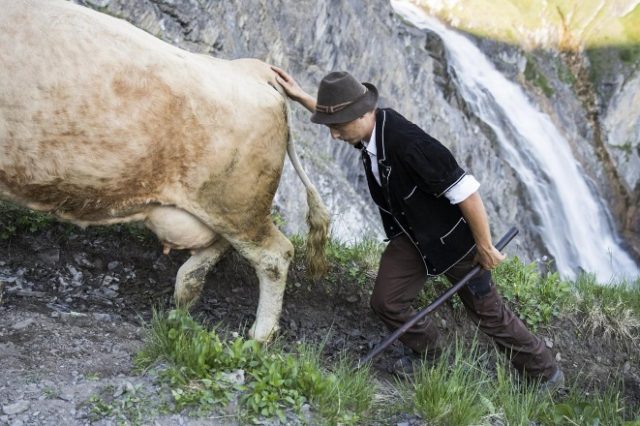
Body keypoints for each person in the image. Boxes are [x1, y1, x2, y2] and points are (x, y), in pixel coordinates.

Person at [272, 66, 564, 388]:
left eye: (337, 127)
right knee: (386, 301)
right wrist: (301, 96)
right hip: (412, 238)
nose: (334, 135)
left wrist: (484, 246)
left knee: (488, 312)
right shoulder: (369, 133)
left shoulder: (409, 144)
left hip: (454, 243)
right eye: (331, 126)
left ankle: (546, 373)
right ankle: (432, 356)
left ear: (362, 115)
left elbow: (466, 192)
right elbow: (341, 121)